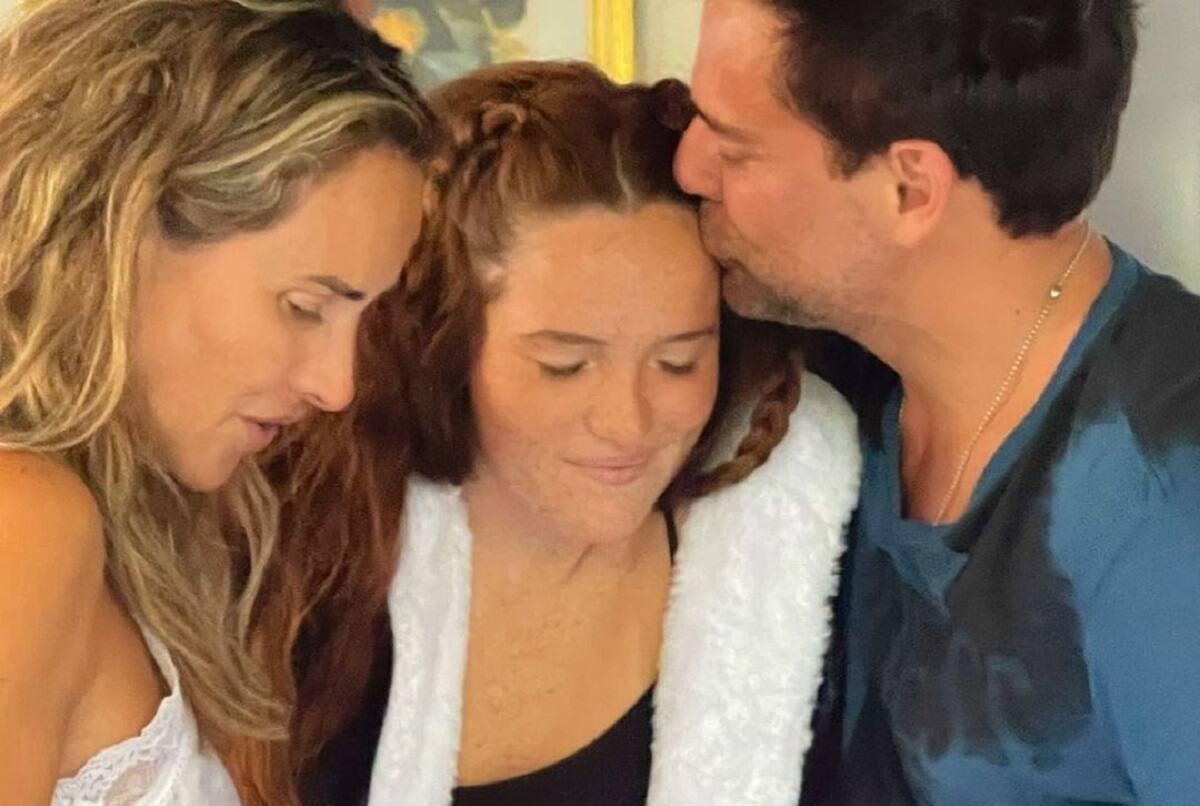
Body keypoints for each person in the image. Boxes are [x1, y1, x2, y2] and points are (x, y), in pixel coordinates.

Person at [275, 60, 861, 806]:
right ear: (441, 345)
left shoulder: (804, 559)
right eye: (565, 365)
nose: (627, 422)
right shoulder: (298, 558)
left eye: (678, 362)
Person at [674, 0, 1200, 804]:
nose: (688, 168)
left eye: (733, 145)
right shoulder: (825, 374)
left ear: (909, 188)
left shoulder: (1164, 503)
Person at [0, 0, 436, 803]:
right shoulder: (24, 520)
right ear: (115, 228)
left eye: (364, 318)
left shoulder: (126, 518)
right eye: (304, 307)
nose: (337, 385)